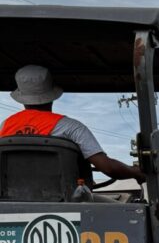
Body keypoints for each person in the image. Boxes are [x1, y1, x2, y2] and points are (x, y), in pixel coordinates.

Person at [0, 64, 145, 183]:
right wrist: (135, 172)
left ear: (22, 97)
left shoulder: (4, 127)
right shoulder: (71, 128)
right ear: (52, 95)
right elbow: (108, 168)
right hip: (64, 203)